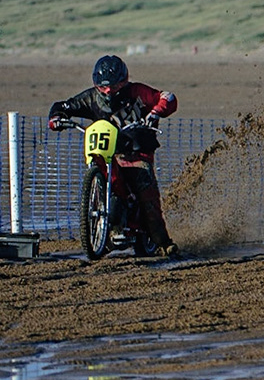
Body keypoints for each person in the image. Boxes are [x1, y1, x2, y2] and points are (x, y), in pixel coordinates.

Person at [47, 55, 178, 255]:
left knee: (145, 191)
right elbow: (63, 106)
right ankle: (107, 227)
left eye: (114, 87)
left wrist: (155, 112)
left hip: (136, 152)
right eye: (103, 88)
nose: (109, 92)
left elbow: (167, 97)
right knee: (100, 174)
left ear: (123, 82)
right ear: (96, 85)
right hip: (106, 152)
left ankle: (163, 241)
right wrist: (57, 118)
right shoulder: (90, 98)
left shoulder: (138, 92)